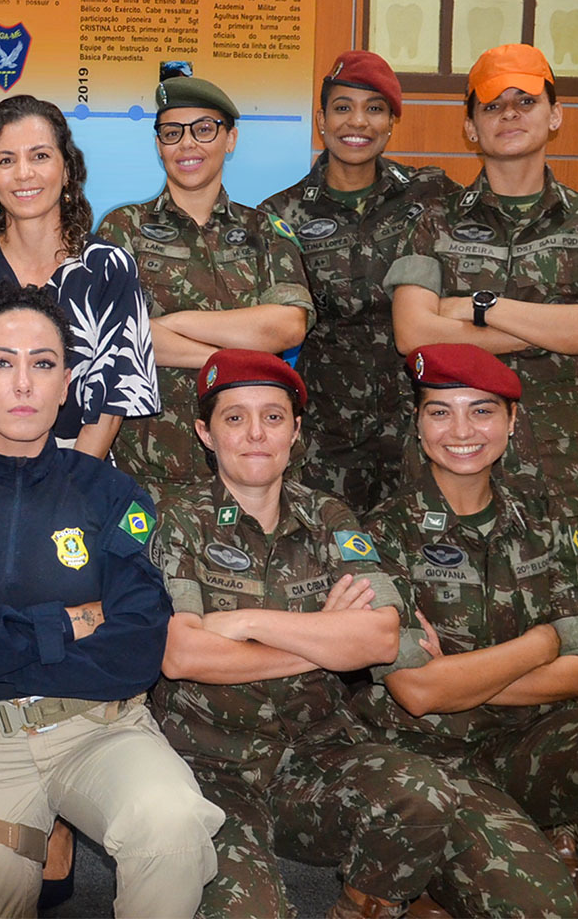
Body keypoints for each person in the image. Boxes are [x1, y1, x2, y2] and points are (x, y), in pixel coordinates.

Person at [0, 282, 224, 919]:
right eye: (1, 363)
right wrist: (76, 619)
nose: (22, 384)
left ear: (66, 383)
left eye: (42, 364)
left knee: (173, 824)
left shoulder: (114, 495)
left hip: (100, 730)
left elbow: (136, 650)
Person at [151, 348, 463, 919]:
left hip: (318, 755)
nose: (255, 434)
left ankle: (360, 906)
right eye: (234, 417)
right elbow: (182, 652)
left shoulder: (330, 517)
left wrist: (246, 624)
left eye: (273, 417)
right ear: (204, 432)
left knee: (422, 794)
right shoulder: (178, 517)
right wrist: (324, 639)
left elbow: (381, 638)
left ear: (296, 432)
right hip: (211, 764)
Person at [358, 342, 578, 917]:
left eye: (482, 410)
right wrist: (544, 643)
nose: (461, 429)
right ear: (418, 425)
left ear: (512, 421)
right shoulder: (378, 534)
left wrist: (454, 673)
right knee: (538, 908)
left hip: (532, 745)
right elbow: (418, 695)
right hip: (434, 763)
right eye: (440, 411)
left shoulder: (545, 524)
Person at [385, 43, 578, 583]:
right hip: (451, 462)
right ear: (470, 126)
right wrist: (557, 327)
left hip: (562, 470)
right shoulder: (432, 222)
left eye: (525, 100)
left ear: (554, 115)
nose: (509, 114)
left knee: (567, 633)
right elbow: (414, 334)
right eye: (491, 105)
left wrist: (481, 309)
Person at [98, 67, 313, 504]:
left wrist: (171, 324)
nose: (188, 144)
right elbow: (118, 337)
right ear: (158, 145)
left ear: (230, 139)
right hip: (148, 473)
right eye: (172, 132)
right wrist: (235, 360)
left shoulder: (265, 231)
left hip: (253, 474)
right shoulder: (124, 229)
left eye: (204, 129)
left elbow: (287, 327)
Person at [261, 51, 461, 513]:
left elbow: (496, 222)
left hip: (421, 431)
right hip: (323, 443)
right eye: (342, 107)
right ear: (321, 120)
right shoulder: (280, 214)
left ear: (392, 122)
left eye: (374, 109)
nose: (358, 122)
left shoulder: (431, 194)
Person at [0, 94, 159, 461]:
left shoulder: (109, 268)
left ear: (67, 169)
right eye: (6, 160)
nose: (24, 173)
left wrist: (69, 489)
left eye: (40, 156)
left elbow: (111, 403)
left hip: (80, 468)